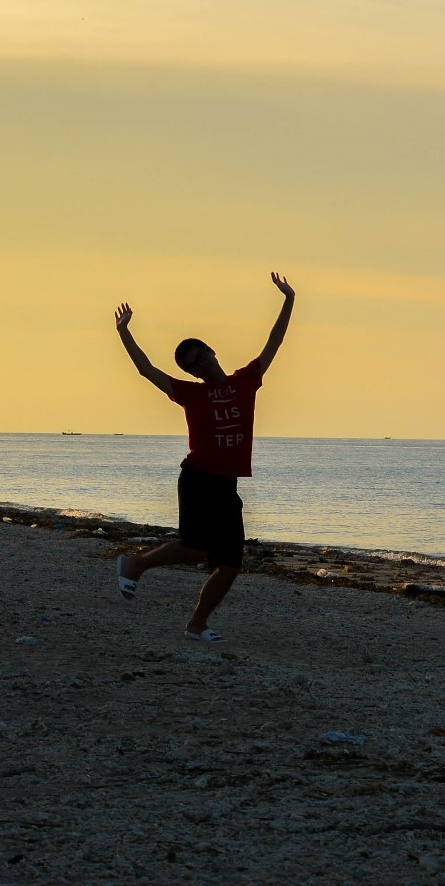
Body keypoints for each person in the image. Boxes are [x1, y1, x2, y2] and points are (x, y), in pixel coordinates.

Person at [110, 273, 295, 642]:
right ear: (190, 373)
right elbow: (146, 370)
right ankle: (136, 564)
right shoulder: (190, 395)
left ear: (212, 352)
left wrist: (289, 299)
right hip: (198, 479)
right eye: (193, 366)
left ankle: (197, 624)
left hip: (227, 487)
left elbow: (275, 341)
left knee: (229, 564)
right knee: (196, 549)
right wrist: (123, 332)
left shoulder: (246, 381)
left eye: (202, 357)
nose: (201, 366)